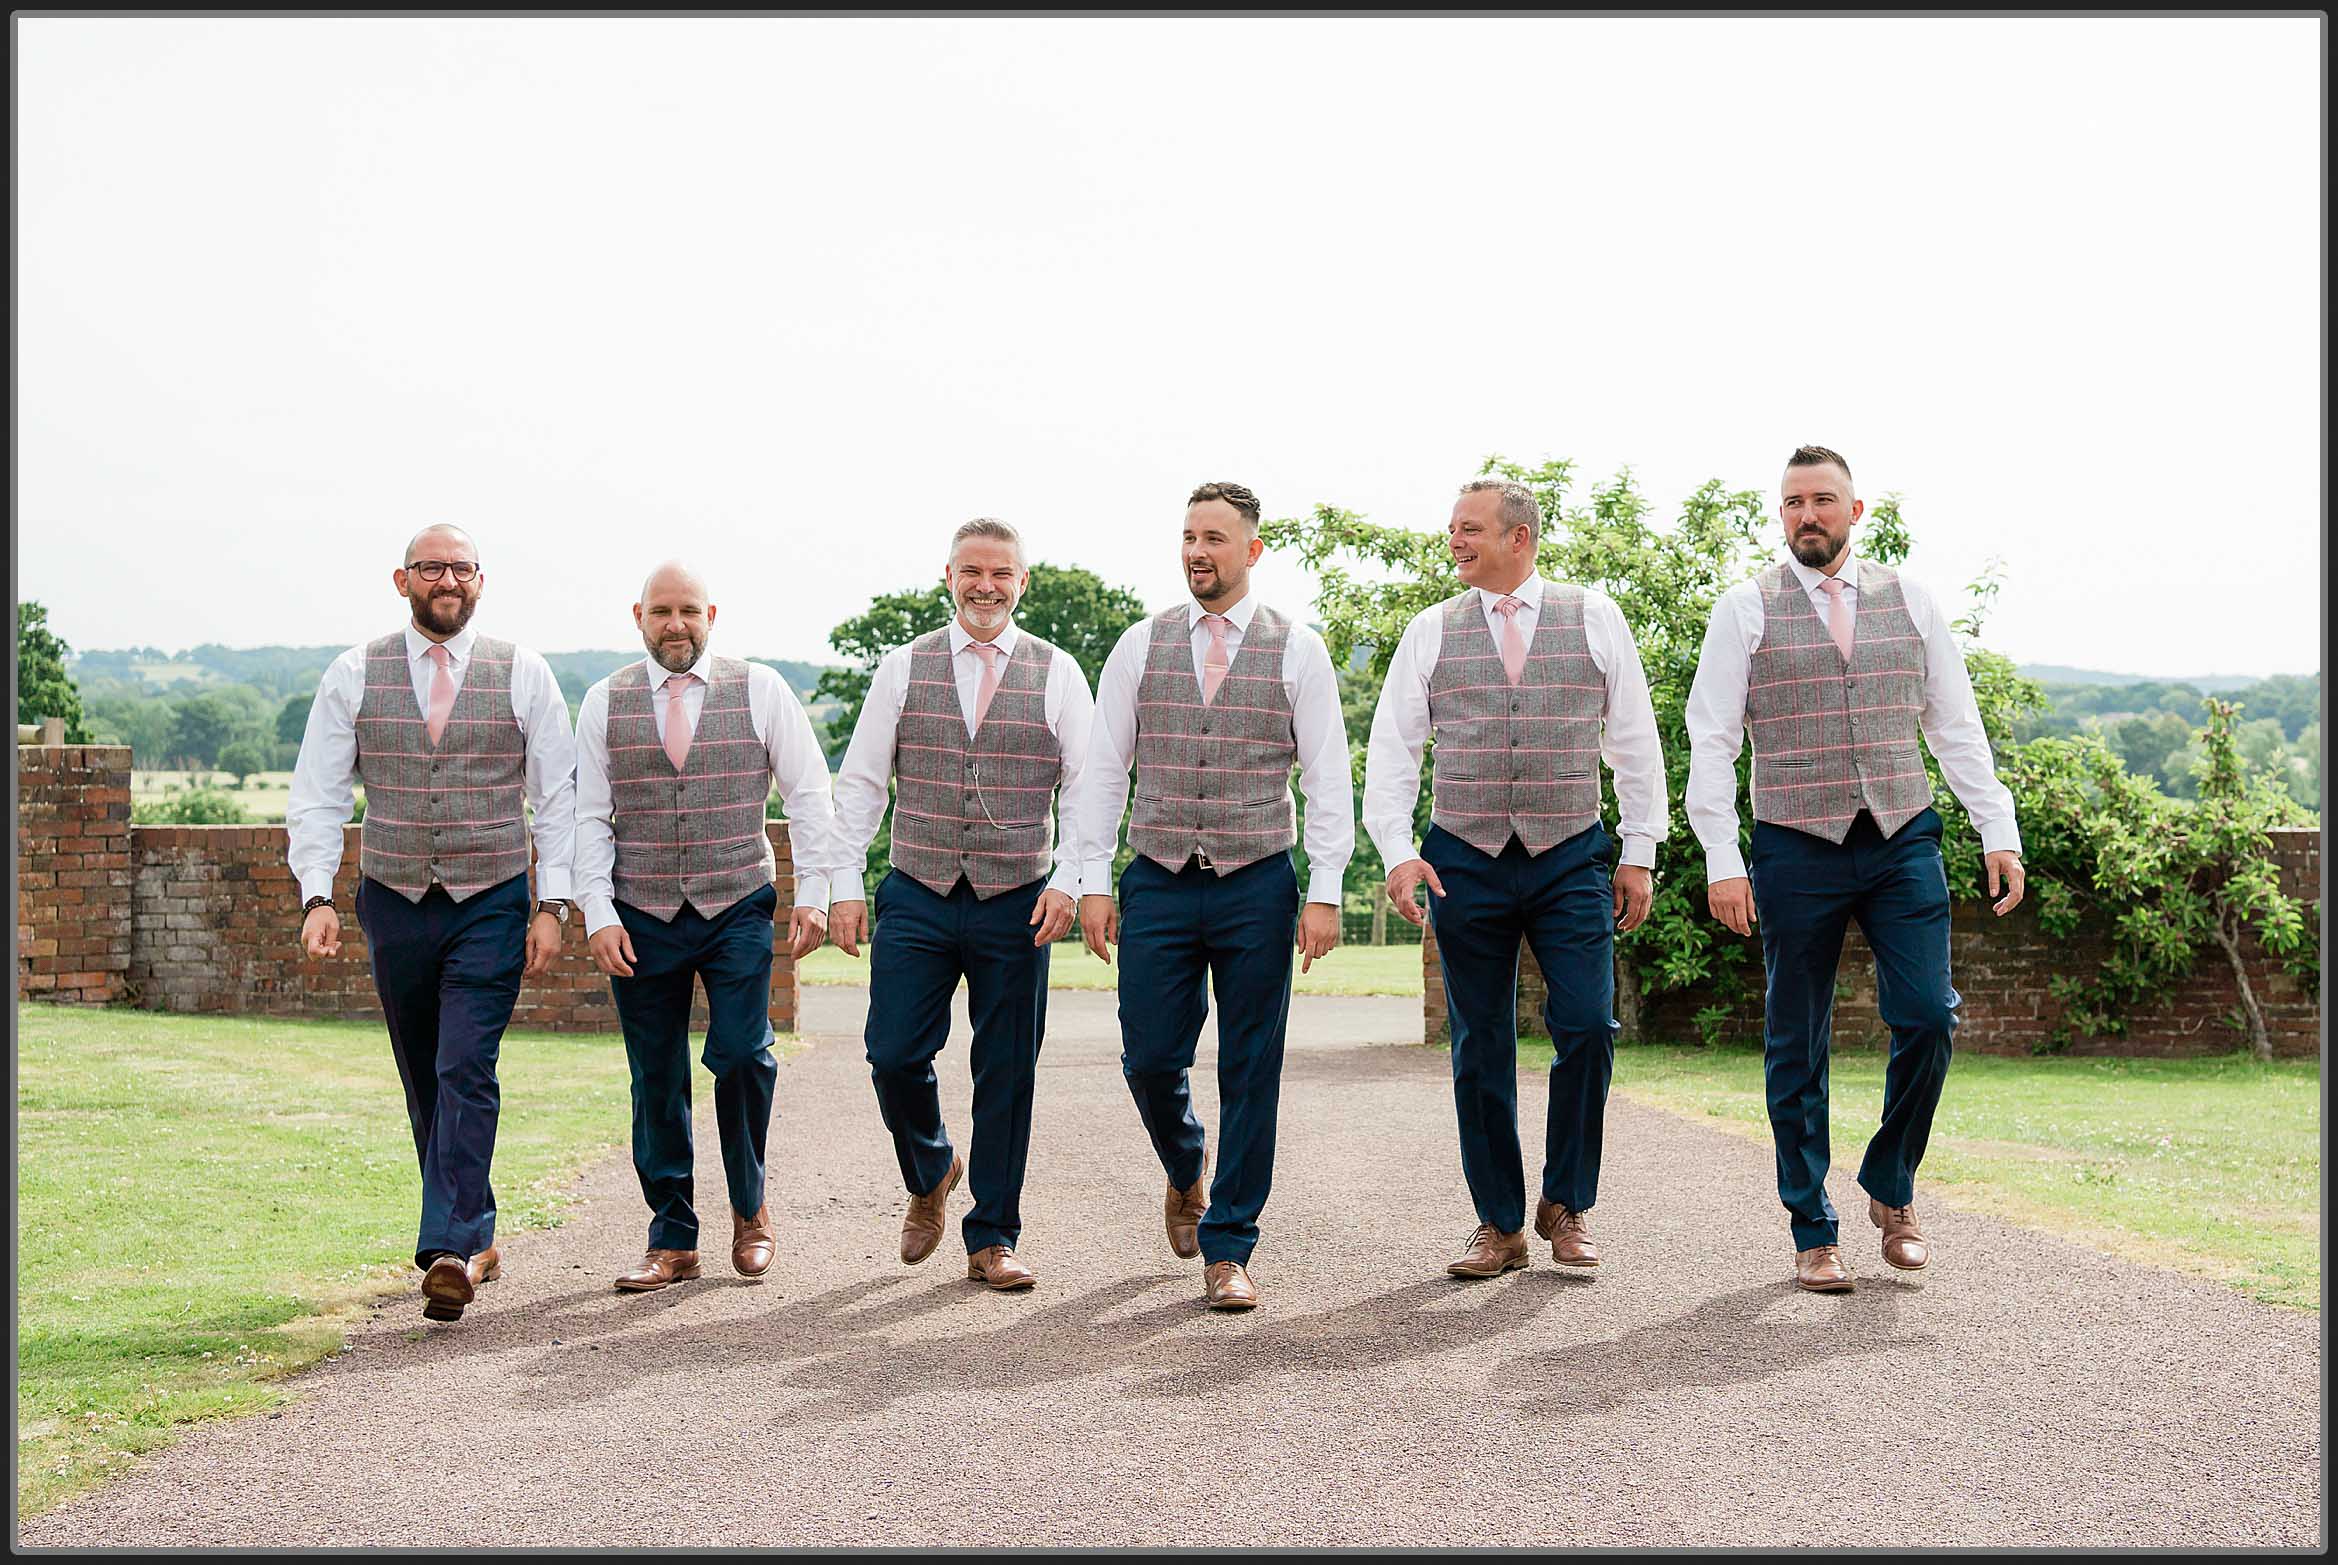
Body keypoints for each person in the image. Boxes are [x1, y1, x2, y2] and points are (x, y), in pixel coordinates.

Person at [1684, 445, 2025, 1292]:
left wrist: (1997, 827)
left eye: (1823, 500)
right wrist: (1722, 858)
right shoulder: (1745, 609)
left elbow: (1954, 724)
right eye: (1794, 502)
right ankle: (1813, 1226)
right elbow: (1714, 739)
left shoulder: (1910, 600)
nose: (1807, 515)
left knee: (1929, 1016)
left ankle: (1891, 1183)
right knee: (1794, 1038)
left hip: (1901, 833)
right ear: (1782, 514)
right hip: (1794, 841)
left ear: (1855, 510)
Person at [1367, 478, 1666, 1280]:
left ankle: (1567, 1201)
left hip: (1571, 851)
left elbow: (1635, 742)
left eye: (1469, 529)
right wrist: (1398, 850)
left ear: (1520, 537)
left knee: (1588, 1025)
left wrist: (1638, 850)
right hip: (1461, 856)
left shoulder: (1594, 616)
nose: (1455, 541)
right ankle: (1499, 1222)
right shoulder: (1431, 631)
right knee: (1480, 1044)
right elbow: (1393, 752)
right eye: (1452, 528)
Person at [1070, 480, 1353, 1311]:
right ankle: (1185, 1162)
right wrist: (1091, 880)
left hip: (1258, 878)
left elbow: (1329, 778)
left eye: (1215, 539)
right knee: (1151, 1055)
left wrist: (1326, 891)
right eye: (1189, 536)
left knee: (1251, 1064)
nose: (1197, 551)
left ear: (1253, 550)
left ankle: (1229, 1245)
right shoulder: (1140, 645)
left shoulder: (1297, 648)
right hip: (1156, 876)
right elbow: (1101, 773)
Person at [287, 525, 577, 1322]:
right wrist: (316, 895)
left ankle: (448, 1248)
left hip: (491, 897)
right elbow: (317, 793)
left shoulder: (524, 673)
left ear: (481, 578)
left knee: (464, 1065)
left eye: (460, 567)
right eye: (430, 568)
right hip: (393, 895)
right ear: (401, 579)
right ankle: (475, 1229)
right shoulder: (354, 673)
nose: (446, 579)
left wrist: (553, 903)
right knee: (423, 1073)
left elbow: (557, 797)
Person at [827, 519, 1094, 1291]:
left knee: (1007, 1069)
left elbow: (1084, 787)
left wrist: (1069, 880)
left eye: (1001, 573)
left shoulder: (1057, 671)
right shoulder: (903, 668)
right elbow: (864, 784)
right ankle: (932, 1165)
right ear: (948, 577)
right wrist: (845, 884)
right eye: (971, 571)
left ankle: (994, 1235)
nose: (986, 585)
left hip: (1020, 896)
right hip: (919, 887)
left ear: (1022, 583)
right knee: (893, 1053)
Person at [575, 560, 840, 1293]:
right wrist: (596, 911)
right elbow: (588, 817)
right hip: (640, 911)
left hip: (737, 903)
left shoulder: (760, 689)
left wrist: (814, 891)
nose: (676, 624)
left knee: (743, 1053)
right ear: (639, 616)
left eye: (689, 610)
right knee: (653, 1073)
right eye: (662, 611)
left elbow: (810, 794)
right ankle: (673, 1237)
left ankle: (750, 1208)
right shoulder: (605, 700)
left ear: (712, 615)